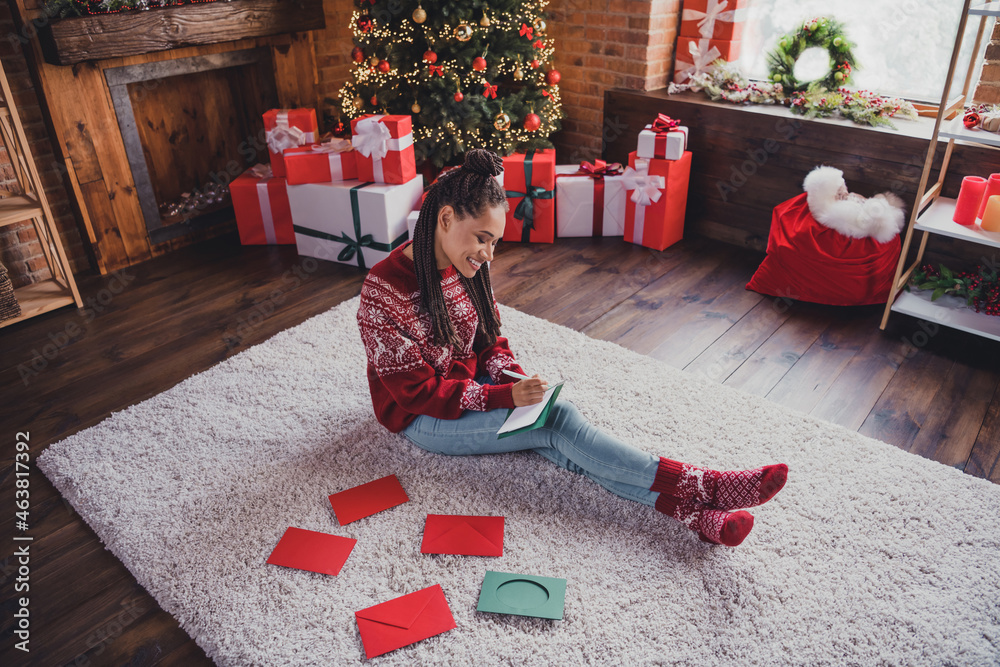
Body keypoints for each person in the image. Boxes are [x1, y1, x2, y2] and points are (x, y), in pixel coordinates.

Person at [356, 149, 787, 547]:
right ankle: (703, 485)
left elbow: (489, 340)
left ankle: (692, 514)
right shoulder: (383, 291)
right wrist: (502, 397)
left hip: (468, 386)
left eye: (495, 243)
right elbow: (416, 393)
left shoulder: (465, 267)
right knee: (556, 422)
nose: (489, 255)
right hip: (421, 417)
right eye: (482, 239)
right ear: (445, 219)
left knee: (562, 444)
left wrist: (510, 375)